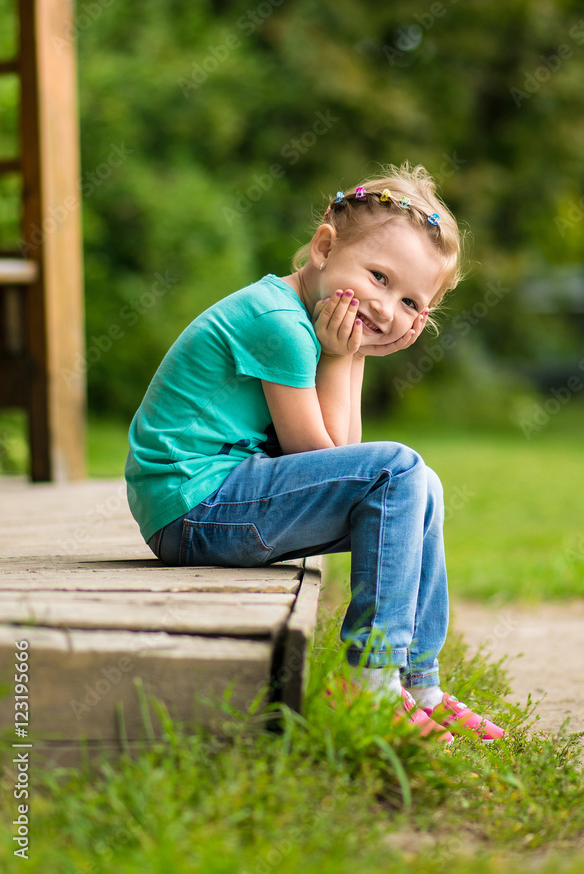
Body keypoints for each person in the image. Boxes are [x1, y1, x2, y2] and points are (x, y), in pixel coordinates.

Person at [125, 161, 505, 744]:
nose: (386, 309)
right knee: (399, 468)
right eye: (379, 277)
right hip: (192, 508)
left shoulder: (313, 325)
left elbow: (340, 456)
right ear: (325, 246)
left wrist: (349, 356)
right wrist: (338, 356)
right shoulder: (277, 321)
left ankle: (417, 682)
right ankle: (368, 680)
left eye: (410, 302)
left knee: (420, 481)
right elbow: (316, 453)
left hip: (225, 498)